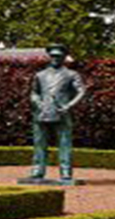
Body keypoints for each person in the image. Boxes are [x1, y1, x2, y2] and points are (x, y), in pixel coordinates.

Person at [28, 43, 86, 182]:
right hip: (41, 113)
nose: (55, 58)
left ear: (64, 57)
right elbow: (34, 92)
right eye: (52, 55)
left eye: (58, 56)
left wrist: (69, 105)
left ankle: (65, 171)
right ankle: (37, 170)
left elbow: (81, 91)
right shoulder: (40, 75)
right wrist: (37, 102)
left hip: (62, 113)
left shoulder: (71, 74)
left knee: (65, 144)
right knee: (39, 143)